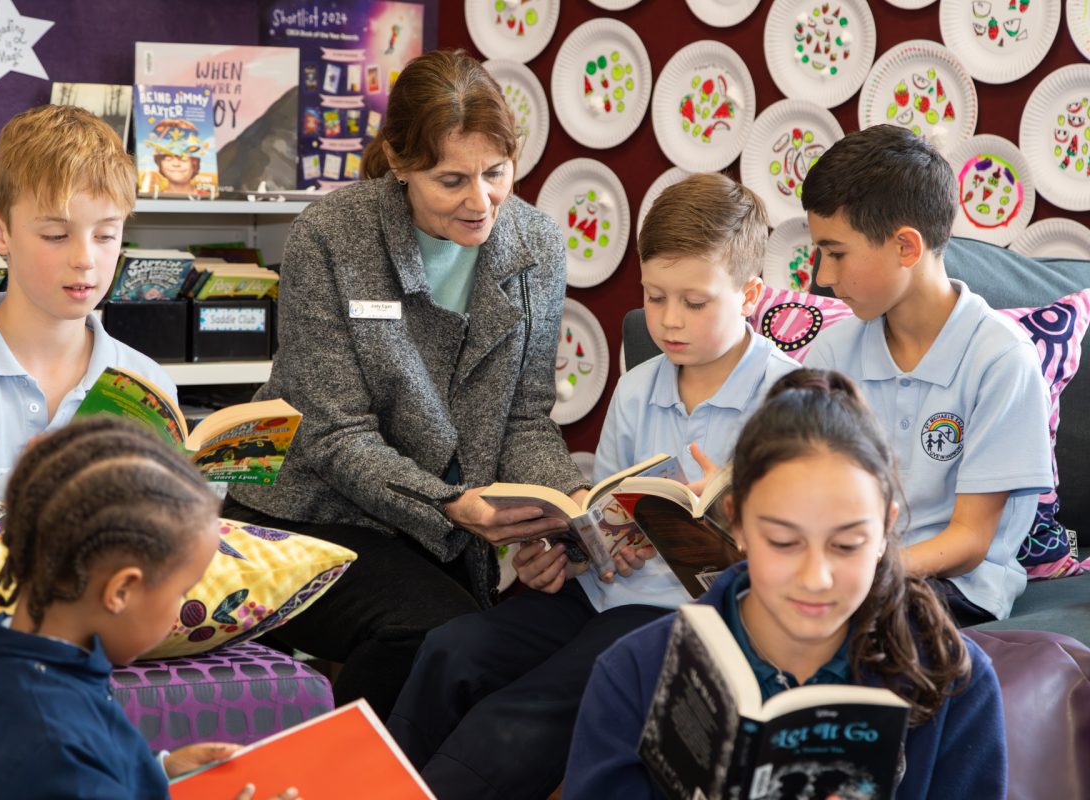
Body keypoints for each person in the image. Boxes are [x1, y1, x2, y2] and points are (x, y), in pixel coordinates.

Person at [386, 173, 799, 799]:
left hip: (684, 613)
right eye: (654, 297)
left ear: (749, 295)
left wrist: (731, 519)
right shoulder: (639, 385)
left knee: (528, 708)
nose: (668, 321)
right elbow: (610, 507)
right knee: (454, 648)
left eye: (694, 302)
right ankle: (372, 780)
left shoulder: (790, 399)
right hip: (605, 592)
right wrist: (580, 545)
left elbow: (794, 553)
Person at [222, 49, 590, 719]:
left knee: (472, 651)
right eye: (451, 180)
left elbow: (526, 419)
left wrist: (563, 513)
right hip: (307, 514)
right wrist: (451, 504)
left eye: (496, 173)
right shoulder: (331, 237)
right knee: (433, 637)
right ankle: (322, 777)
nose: (481, 202)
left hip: (436, 531)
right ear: (399, 163)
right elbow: (335, 434)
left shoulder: (538, 244)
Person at [563, 370, 1007, 799]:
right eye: (783, 541)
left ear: (886, 527)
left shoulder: (951, 678)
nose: (816, 578)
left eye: (847, 544)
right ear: (734, 521)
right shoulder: (635, 674)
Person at [0, 418, 297, 800]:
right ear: (121, 590)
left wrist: (160, 771)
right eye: (182, 591)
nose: (181, 609)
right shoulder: (53, 739)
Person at [800, 124, 1051, 624]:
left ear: (906, 248)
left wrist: (861, 572)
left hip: (953, 588)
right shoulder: (831, 351)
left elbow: (969, 541)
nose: (823, 278)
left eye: (836, 253)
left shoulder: (1002, 361)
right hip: (846, 572)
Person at [0, 104, 177, 537]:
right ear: (0, 233)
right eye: (56, 236)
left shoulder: (147, 383)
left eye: (105, 235)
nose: (85, 259)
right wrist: (28, 487)